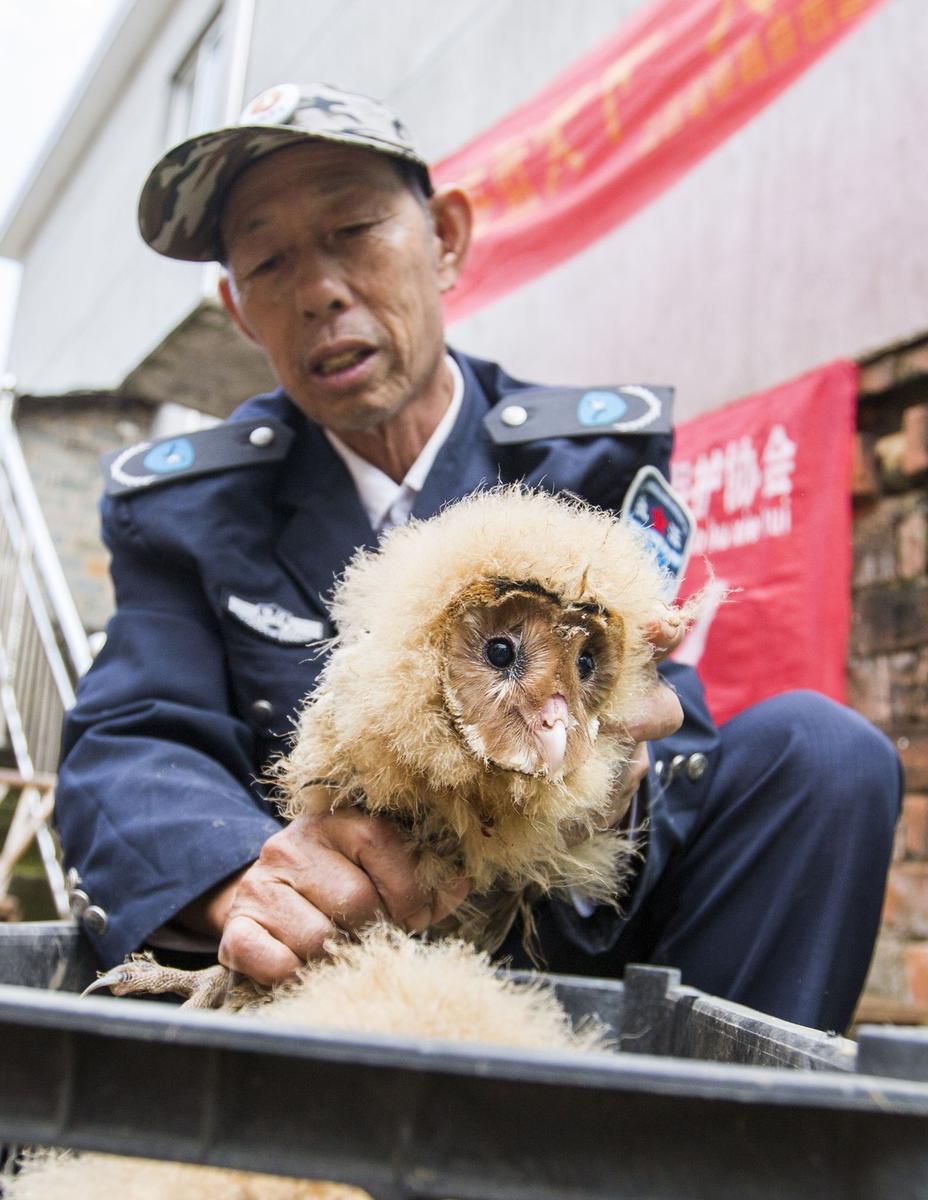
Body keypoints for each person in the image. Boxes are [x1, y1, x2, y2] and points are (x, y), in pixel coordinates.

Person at [57, 83, 901, 1032]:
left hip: (576, 942)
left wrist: (605, 787)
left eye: (353, 230)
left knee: (822, 755)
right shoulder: (190, 511)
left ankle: (695, 1142)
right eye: (268, 261)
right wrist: (247, 879)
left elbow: (671, 722)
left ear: (446, 238)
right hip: (328, 980)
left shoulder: (586, 462)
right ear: (239, 311)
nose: (320, 290)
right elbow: (130, 738)